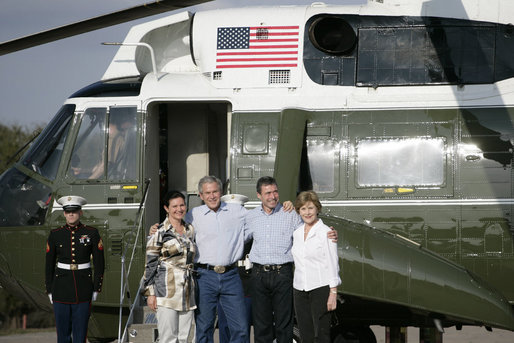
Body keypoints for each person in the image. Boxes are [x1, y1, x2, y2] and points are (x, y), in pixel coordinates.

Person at [244, 176, 337, 343]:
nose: (272, 196)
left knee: (284, 325)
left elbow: (311, 225)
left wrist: (330, 233)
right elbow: (239, 239)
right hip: (258, 275)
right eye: (267, 193)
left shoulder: (291, 214)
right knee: (261, 325)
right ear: (259, 195)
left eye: (275, 192)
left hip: (283, 275)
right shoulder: (250, 217)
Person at [186, 176, 248, 343]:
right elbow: (176, 230)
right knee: (204, 327)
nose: (212, 196)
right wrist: (156, 228)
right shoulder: (193, 215)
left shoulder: (237, 211)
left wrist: (285, 206)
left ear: (221, 192)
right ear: (201, 195)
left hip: (231, 276)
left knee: (240, 328)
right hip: (204, 276)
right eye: (207, 193)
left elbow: (259, 221)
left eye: (215, 191)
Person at [45, 195, 105, 343]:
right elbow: (49, 265)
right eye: (68, 211)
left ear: (81, 213)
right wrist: (49, 289)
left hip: (83, 288)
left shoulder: (92, 233)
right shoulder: (55, 234)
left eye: (75, 211)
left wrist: (97, 287)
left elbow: (99, 263)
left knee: (80, 334)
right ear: (64, 213)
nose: (71, 214)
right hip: (60, 289)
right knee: (63, 335)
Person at [143, 190, 196, 343]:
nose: (179, 209)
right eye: (174, 206)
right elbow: (150, 264)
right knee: (168, 338)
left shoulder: (190, 230)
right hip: (165, 291)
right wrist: (150, 293)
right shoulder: (159, 232)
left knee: (185, 337)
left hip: (187, 292)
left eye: (182, 205)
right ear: (166, 208)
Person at [292, 191, 341, 343]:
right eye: (303, 209)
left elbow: (333, 262)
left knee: (321, 335)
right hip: (299, 289)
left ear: (317, 209)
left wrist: (333, 292)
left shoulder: (326, 232)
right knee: (305, 335)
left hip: (320, 288)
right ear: (299, 211)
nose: (307, 213)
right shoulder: (297, 233)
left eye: (311, 208)